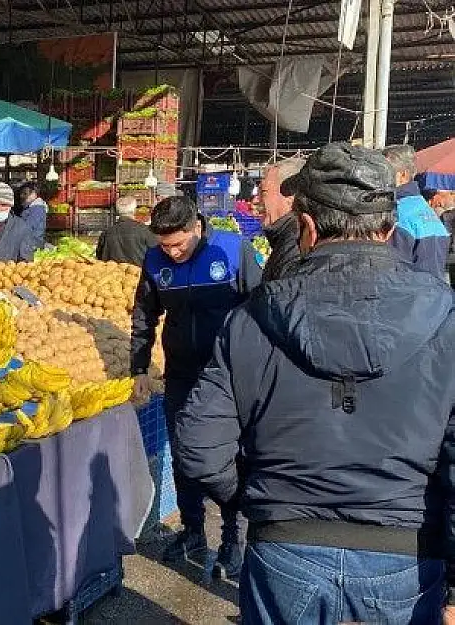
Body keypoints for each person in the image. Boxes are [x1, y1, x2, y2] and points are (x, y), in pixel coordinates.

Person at [173, 143, 455, 624]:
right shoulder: (444, 315)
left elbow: (198, 444)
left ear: (305, 227)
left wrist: (259, 499)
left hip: (285, 547)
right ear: (389, 231)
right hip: (405, 554)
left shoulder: (253, 317)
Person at [129, 195, 262, 578]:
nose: (171, 253)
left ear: (197, 227)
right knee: (185, 455)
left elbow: (261, 307)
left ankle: (233, 538)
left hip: (229, 377)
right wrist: (138, 368)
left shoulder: (233, 250)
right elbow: (144, 316)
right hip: (181, 374)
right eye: (165, 245)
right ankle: (192, 530)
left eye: (179, 244)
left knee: (230, 460)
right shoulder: (155, 261)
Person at [383, 144, 450, 278]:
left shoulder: (396, 212)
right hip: (434, 292)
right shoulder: (424, 208)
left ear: (402, 175)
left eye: (384, 171)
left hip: (406, 293)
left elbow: (389, 270)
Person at [258, 157, 305, 281]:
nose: (256, 200)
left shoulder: (296, 245)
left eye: (263, 192)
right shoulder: (286, 239)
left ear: (290, 196)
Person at [95, 196, 154, 266]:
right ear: (134, 211)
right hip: (139, 274)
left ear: (117, 212)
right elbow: (156, 254)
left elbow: (99, 258)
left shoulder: (106, 233)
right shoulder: (146, 231)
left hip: (114, 274)